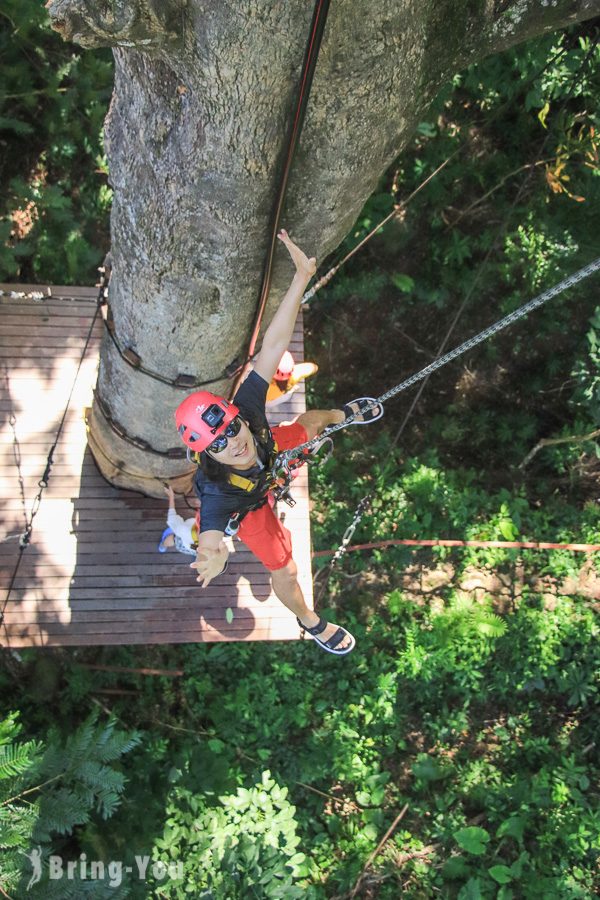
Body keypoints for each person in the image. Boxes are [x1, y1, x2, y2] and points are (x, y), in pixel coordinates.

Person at [174, 230, 383, 656]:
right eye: (218, 444)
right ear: (206, 454)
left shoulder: (248, 410)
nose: (233, 443)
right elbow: (212, 535)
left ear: (235, 415)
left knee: (311, 421)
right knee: (286, 571)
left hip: (273, 455)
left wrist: (301, 278)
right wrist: (212, 553)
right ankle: (311, 621)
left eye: (231, 428)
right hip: (249, 507)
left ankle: (344, 415)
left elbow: (272, 345)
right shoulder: (216, 492)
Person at [158, 485, 198, 557]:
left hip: (184, 540)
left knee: (173, 539)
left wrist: (171, 497)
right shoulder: (221, 542)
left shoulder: (184, 529)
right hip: (196, 549)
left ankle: (163, 544)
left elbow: (172, 517)